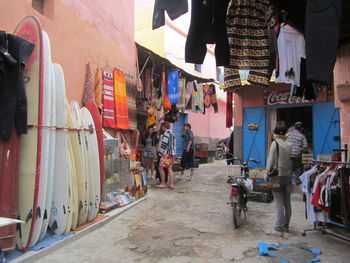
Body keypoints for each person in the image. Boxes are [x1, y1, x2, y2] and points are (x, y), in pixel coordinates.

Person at [265, 125, 293, 237]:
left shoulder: (275, 144)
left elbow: (270, 161)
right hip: (288, 176)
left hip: (277, 177)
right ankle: (286, 225)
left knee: (279, 203)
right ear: (286, 133)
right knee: (287, 202)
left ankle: (278, 227)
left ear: (276, 134)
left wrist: (267, 174)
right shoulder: (290, 145)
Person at [155, 122, 176, 189]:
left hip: (166, 154)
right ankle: (171, 184)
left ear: (164, 126)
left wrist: (160, 152)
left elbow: (164, 144)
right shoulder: (172, 134)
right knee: (169, 168)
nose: (161, 128)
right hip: (171, 154)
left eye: (162, 126)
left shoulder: (166, 134)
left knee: (160, 167)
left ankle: (163, 183)